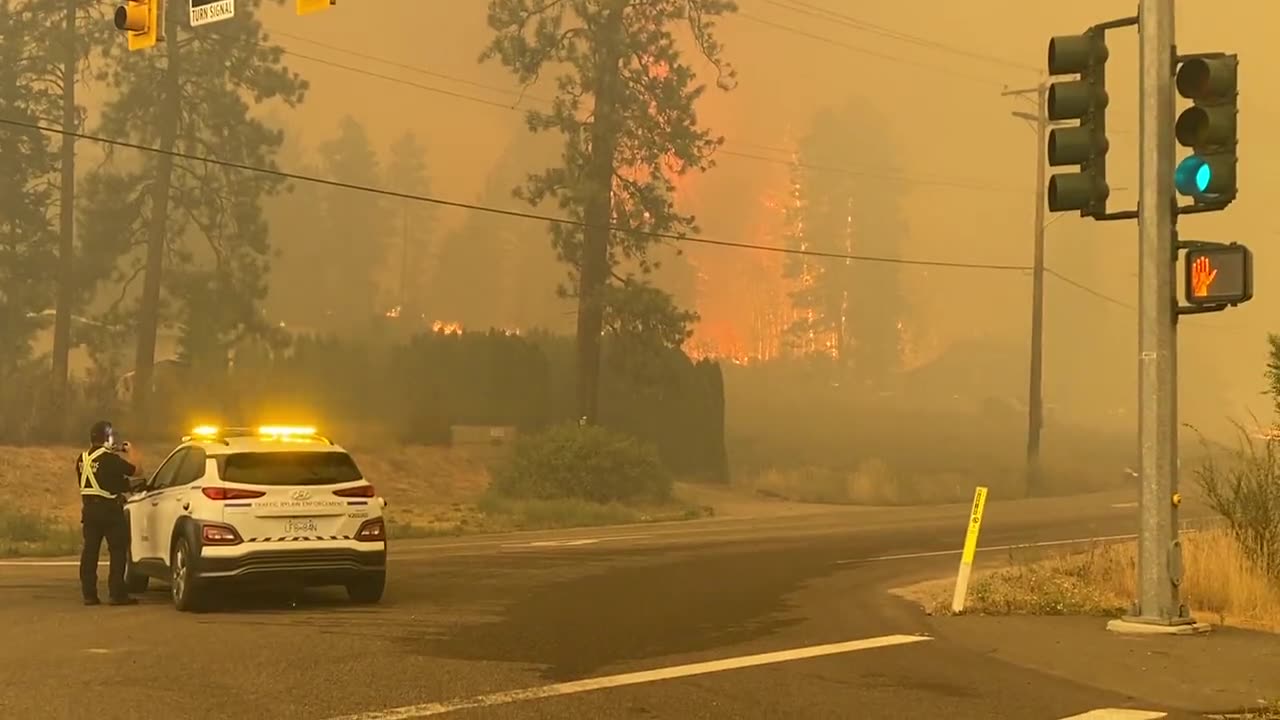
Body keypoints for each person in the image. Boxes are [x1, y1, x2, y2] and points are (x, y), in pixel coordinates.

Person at [77, 420, 143, 606]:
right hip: (109, 510)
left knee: (90, 552)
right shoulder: (111, 460)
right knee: (117, 551)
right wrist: (131, 451)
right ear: (107, 438)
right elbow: (137, 471)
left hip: (89, 510)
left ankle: (89, 594)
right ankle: (117, 593)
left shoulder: (82, 459)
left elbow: (101, 475)